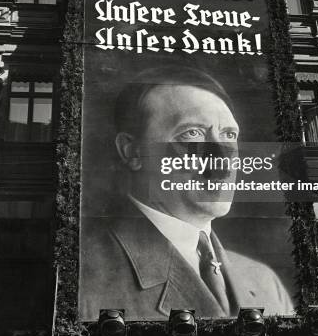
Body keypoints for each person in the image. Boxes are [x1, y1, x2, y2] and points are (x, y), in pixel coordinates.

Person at [80, 65, 294, 321]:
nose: (221, 159)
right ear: (132, 152)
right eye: (192, 133)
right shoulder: (86, 276)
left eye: (228, 134)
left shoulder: (264, 282)